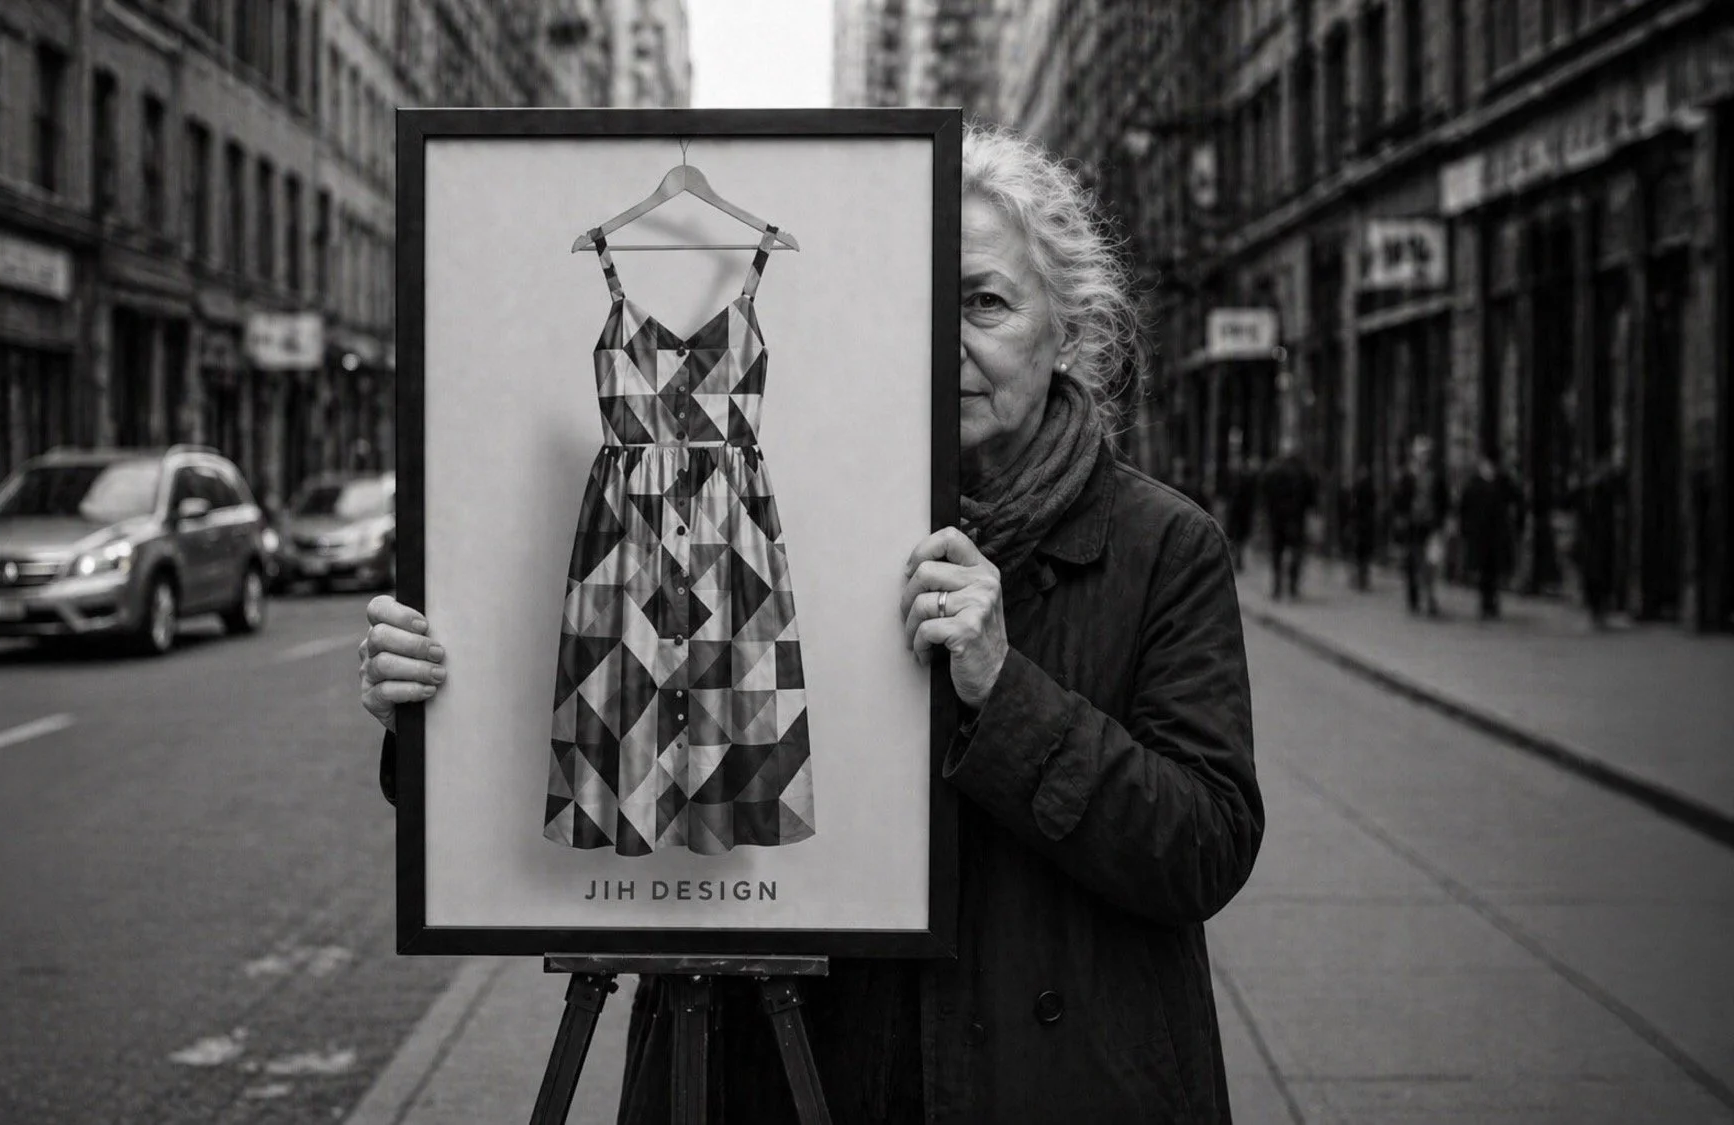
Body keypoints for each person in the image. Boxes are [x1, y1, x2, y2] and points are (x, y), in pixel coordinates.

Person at [358, 124, 1264, 1122]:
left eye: (986, 303)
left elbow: (1203, 846)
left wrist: (1004, 689)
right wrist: (431, 708)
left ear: (1069, 328)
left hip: (1045, 1081)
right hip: (770, 1068)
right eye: (919, 304)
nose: (945, 342)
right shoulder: (817, 504)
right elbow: (571, 770)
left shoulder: (1157, 546)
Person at [1392, 435, 1450, 616]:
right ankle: (1415, 597)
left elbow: (1443, 500)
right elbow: (1399, 501)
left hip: (1430, 527)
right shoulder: (1407, 476)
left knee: (1431, 564)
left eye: (1427, 453)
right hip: (1413, 526)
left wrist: (1443, 522)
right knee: (1413, 563)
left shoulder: (1435, 477)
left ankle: (1430, 598)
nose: (1425, 457)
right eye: (1422, 453)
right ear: (1415, 455)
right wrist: (1401, 518)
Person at [1458, 454, 1521, 620]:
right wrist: (1465, 530)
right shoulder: (1473, 485)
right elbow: (1464, 509)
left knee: (1493, 570)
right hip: (1480, 536)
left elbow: (1516, 498)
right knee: (1484, 571)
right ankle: (1486, 602)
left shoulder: (1501, 483)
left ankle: (1492, 602)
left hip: (1496, 535)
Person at [1258, 436, 1317, 600]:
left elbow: (1264, 495)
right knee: (1296, 551)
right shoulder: (1303, 471)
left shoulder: (1273, 470)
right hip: (1296, 518)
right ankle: (1292, 585)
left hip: (1277, 518)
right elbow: (1311, 497)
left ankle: (1277, 586)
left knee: (1277, 551)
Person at [1575, 451, 1623, 628]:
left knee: (1599, 576)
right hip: (1596, 542)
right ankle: (1598, 611)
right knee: (1598, 577)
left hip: (1598, 541)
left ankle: (1598, 611)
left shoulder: (1598, 490)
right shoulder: (1595, 491)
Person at [1221, 438, 1256, 574]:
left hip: (1242, 511)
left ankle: (1238, 559)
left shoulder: (1247, 476)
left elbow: (1251, 494)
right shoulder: (1229, 474)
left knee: (1240, 536)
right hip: (1233, 511)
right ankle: (1235, 559)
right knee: (1233, 535)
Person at [1346, 464, 1378, 591]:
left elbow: (1353, 508)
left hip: (1360, 525)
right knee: (1364, 554)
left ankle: (1360, 578)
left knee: (1359, 553)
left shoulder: (1357, 489)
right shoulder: (1369, 489)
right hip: (1366, 525)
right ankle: (1362, 578)